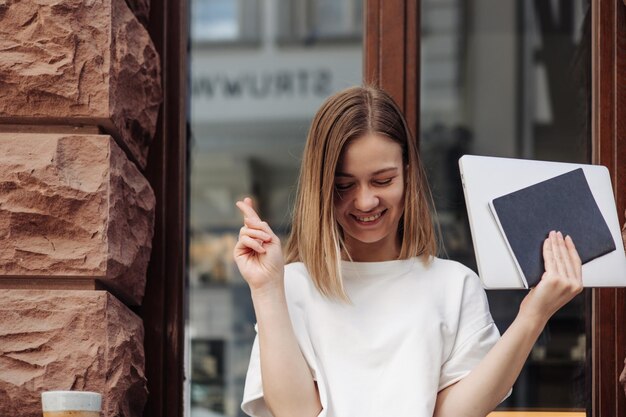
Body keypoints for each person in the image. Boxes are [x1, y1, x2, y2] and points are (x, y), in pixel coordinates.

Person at [233, 85, 583, 417]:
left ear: (408, 173)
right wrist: (265, 291)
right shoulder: (291, 285)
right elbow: (295, 413)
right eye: (344, 185)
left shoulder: (454, 285)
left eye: (383, 180)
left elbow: (456, 413)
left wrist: (533, 315)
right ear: (320, 186)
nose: (366, 200)